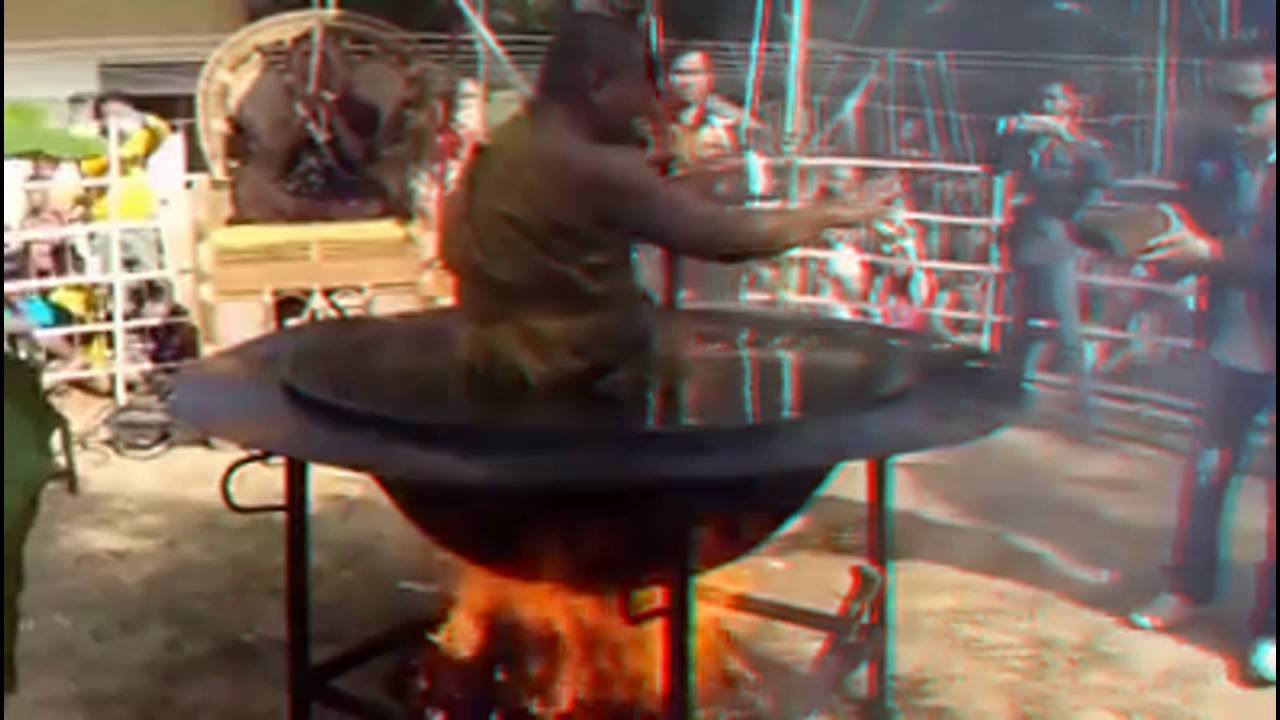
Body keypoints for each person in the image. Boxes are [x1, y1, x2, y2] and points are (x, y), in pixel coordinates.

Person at [439, 12, 894, 397]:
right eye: (640, 84)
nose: (646, 101)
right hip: (575, 371)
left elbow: (455, 247)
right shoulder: (600, 168)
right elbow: (722, 237)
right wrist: (830, 214)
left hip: (490, 358)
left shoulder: (502, 145)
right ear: (597, 81)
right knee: (691, 364)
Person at [1126, 38, 1276, 687]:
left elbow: (1225, 249)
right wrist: (1143, 233)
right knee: (1210, 469)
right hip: (1232, 342)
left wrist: (1212, 254)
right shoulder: (1218, 156)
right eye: (1223, 98)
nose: (1232, 115)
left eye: (1247, 101)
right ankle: (1190, 587)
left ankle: (1271, 629)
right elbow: (1190, 216)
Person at [996, 80, 1111, 430]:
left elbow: (1098, 187)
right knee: (1024, 324)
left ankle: (1085, 405)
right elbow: (1000, 152)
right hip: (1029, 238)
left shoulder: (1083, 148)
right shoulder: (1029, 143)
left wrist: (1079, 227)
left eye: (1055, 99)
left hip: (1060, 240)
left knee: (1068, 329)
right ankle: (1017, 395)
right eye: (1044, 98)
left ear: (1070, 106)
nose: (1047, 105)